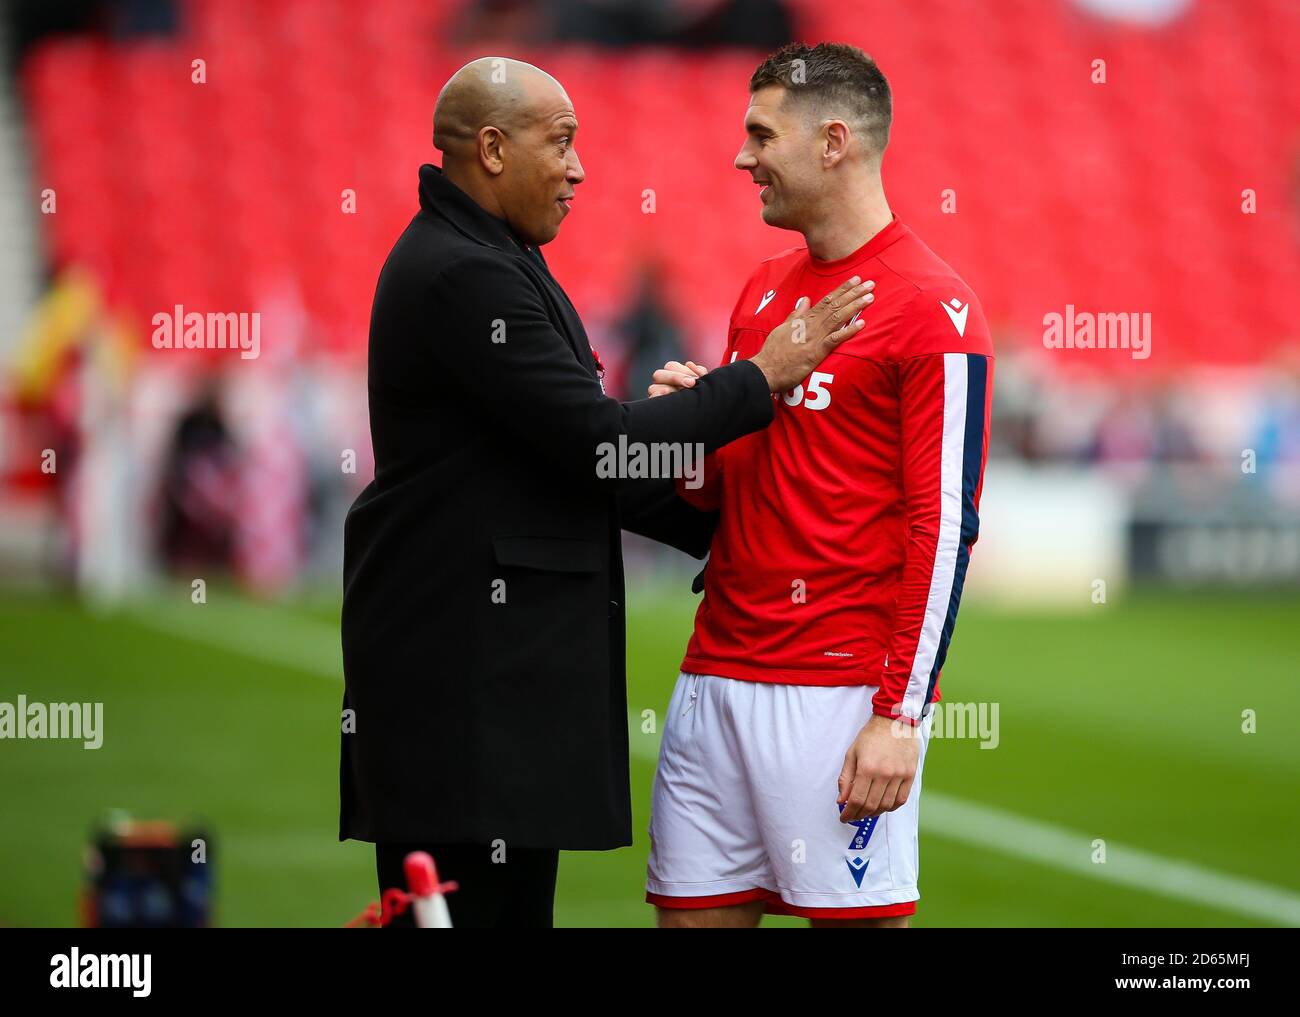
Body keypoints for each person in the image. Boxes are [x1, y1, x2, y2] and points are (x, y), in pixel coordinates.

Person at [339, 55, 875, 927]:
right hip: (469, 693)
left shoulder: (489, 255)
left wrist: (733, 538)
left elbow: (576, 458)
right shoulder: (464, 274)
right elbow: (597, 447)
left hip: (478, 690)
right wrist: (756, 379)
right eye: (560, 143)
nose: (579, 168)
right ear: (492, 149)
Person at [644, 42, 995, 927]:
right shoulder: (764, 292)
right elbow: (724, 494)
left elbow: (945, 526)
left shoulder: (934, 308)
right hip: (712, 677)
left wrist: (901, 715)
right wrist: (693, 435)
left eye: (761, 134)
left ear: (833, 140)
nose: (741, 156)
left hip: (835, 698)